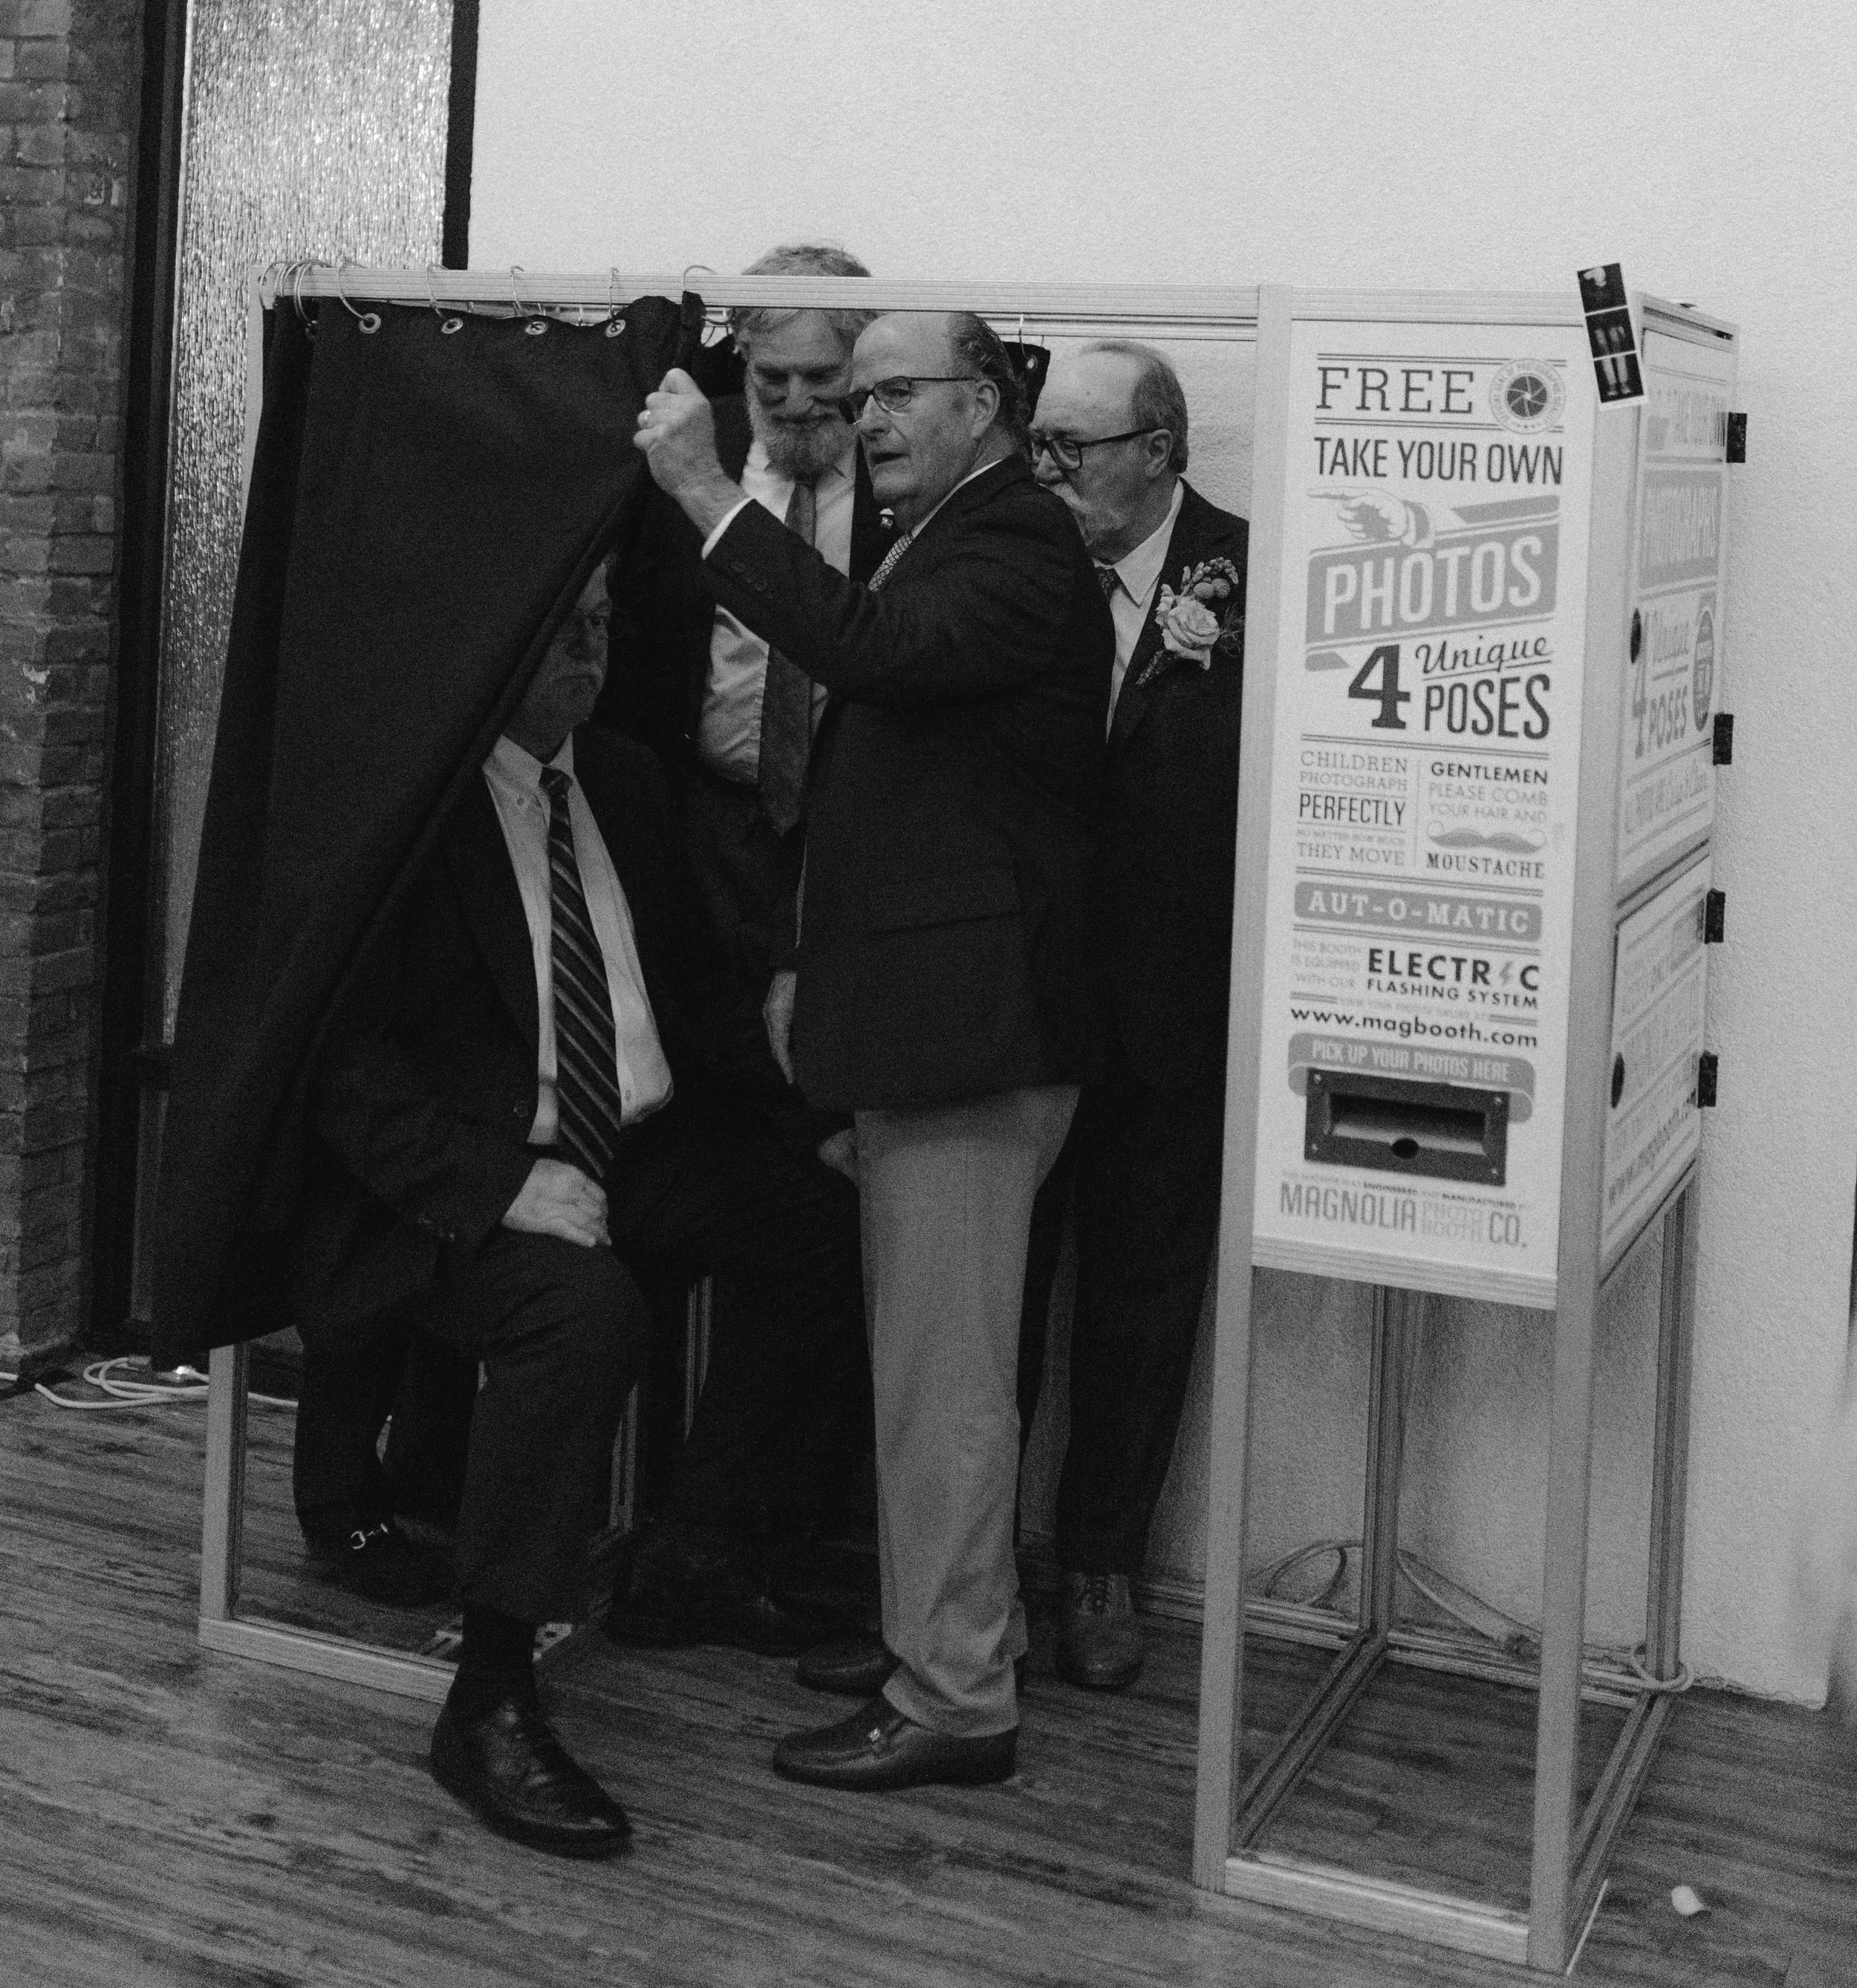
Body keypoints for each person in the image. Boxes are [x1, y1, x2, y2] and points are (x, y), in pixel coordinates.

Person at [288, 565, 863, 1854]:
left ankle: (695, 1551)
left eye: (603, 634)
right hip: (472, 1177)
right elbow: (343, 1068)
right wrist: (504, 1187)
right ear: (497, 650)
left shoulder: (622, 779)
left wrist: (810, 1123)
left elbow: (695, 998)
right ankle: (491, 1692)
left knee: (826, 1228)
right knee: (580, 1317)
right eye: (564, 641)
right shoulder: (416, 809)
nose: (590, 662)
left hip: (639, 1144)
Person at [634, 308, 1113, 1790]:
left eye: (894, 391)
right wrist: (806, 969)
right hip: (924, 1023)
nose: (865, 413)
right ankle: (937, 1638)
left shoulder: (1014, 546)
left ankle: (956, 1702)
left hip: (970, 1040)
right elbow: (901, 787)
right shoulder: (946, 529)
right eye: (859, 394)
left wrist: (709, 498)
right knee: (927, 1371)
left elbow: (874, 655)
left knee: (942, 1387)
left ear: (982, 403)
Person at [599, 242, 891, 1572]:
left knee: (827, 1171)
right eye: (768, 375)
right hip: (694, 838)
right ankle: (655, 1516)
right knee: (696, 1158)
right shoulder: (675, 465)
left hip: (841, 847)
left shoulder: (906, 489)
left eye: (823, 379)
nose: (793, 404)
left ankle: (772, 1529)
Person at [1019, 340, 1248, 1690]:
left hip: (1175, 1008)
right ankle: (972, 1570)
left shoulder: (1254, 574)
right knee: (1002, 1301)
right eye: (1039, 446)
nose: (1049, 474)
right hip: (1028, 1007)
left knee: (1142, 1304)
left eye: (1075, 450)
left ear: (1159, 452)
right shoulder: (1016, 562)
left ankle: (1102, 1562)